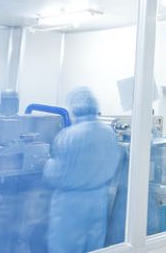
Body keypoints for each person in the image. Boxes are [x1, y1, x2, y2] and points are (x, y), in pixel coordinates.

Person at [43, 87, 121, 253]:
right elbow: (114, 163)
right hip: (98, 199)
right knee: (94, 246)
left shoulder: (68, 135)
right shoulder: (108, 133)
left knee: (65, 247)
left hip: (71, 204)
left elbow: (54, 174)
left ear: (73, 108)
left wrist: (46, 163)